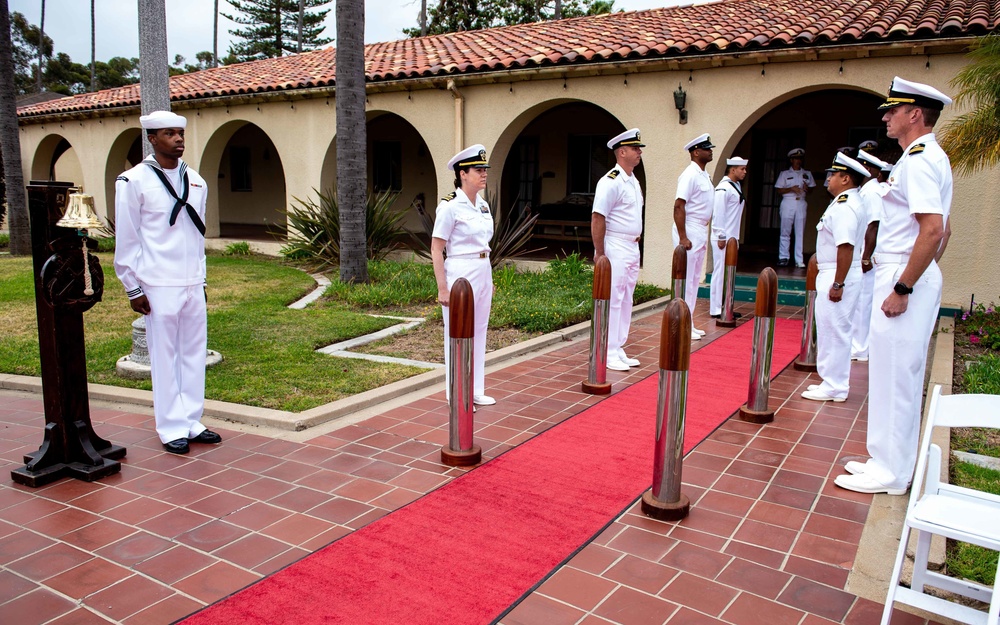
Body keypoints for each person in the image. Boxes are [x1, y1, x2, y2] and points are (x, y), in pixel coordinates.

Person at [835, 77, 953, 495]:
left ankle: (894, 474)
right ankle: (883, 459)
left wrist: (905, 286)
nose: (886, 117)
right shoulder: (919, 158)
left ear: (914, 114)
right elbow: (945, 229)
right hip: (905, 271)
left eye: (893, 110)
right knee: (885, 373)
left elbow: (934, 229)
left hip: (903, 275)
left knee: (899, 377)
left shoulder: (920, 159)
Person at [113, 111, 221, 455]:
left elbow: (196, 236)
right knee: (165, 354)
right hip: (157, 282)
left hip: (190, 280)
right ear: (152, 139)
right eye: (169, 133)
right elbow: (128, 238)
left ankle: (192, 420)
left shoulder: (198, 181)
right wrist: (132, 286)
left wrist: (200, 278)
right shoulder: (133, 181)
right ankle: (171, 425)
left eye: (180, 132)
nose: (178, 138)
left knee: (193, 352)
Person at [801, 152, 869, 403]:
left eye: (834, 175)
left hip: (838, 274)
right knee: (830, 329)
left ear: (846, 178)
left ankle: (836, 386)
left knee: (836, 331)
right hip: (833, 272)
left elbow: (846, 247)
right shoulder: (843, 202)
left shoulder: (845, 206)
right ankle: (830, 381)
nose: (828, 179)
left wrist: (838, 283)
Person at [432, 145, 496, 405]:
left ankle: (476, 389)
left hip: (482, 268)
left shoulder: (482, 205)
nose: (483, 174)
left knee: (479, 330)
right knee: (457, 332)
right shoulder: (450, 206)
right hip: (460, 271)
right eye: (478, 170)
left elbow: (485, 244)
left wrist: (488, 280)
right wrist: (442, 288)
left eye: (484, 170)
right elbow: (437, 248)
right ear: (462, 174)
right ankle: (456, 392)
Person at [591, 128, 645, 371]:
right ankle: (607, 349)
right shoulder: (610, 181)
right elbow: (598, 217)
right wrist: (599, 252)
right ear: (621, 151)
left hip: (632, 245)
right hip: (616, 245)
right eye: (635, 148)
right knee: (613, 298)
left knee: (626, 298)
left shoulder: (633, 181)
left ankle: (617, 345)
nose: (639, 152)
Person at [673, 133, 716, 340]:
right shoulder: (689, 174)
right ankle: (680, 322)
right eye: (707, 149)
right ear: (696, 152)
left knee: (694, 279)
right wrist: (683, 237)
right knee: (686, 279)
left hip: (700, 229)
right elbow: (679, 205)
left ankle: (688, 321)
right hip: (689, 228)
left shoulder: (703, 175)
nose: (711, 151)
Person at [850, 148, 892, 362]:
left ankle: (860, 346)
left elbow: (873, 225)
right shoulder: (866, 190)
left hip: (868, 255)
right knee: (860, 300)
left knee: (864, 301)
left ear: (868, 169)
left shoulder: (872, 191)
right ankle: (858, 343)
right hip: (863, 253)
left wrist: (866, 256)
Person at [709, 156, 748, 318]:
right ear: (732, 170)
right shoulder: (723, 188)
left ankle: (726, 305)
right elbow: (718, 213)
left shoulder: (735, 186)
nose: (745, 172)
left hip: (732, 237)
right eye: (742, 169)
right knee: (719, 273)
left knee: (728, 273)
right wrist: (720, 235)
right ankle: (716, 308)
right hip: (723, 238)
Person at [775, 148, 816, 268]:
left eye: (800, 159)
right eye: (796, 159)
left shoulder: (807, 174)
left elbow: (812, 188)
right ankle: (783, 257)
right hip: (788, 201)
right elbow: (779, 189)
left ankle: (799, 259)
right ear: (791, 160)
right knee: (785, 230)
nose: (798, 161)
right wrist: (791, 188)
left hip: (801, 202)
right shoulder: (785, 174)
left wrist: (807, 188)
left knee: (800, 231)